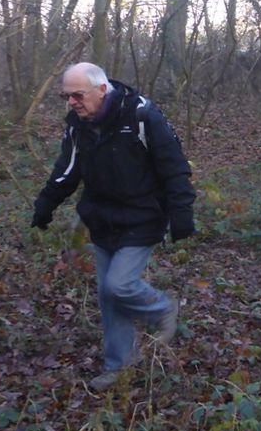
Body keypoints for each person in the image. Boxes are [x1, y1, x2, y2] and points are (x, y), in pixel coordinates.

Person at [31, 62, 196, 392]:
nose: (71, 102)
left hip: (143, 216)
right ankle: (118, 367)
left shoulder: (141, 116)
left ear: (101, 90)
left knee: (118, 286)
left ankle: (162, 308)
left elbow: (174, 168)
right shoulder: (78, 126)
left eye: (77, 95)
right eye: (66, 96)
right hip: (102, 218)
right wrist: (46, 204)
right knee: (109, 298)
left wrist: (181, 215)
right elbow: (67, 170)